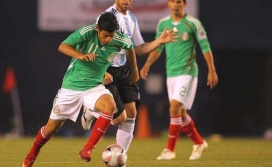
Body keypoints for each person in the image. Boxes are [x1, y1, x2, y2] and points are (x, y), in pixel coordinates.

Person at [20, 12, 175, 167]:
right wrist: (80, 55)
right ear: (98, 29)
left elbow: (130, 49)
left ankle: (88, 148)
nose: (108, 40)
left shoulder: (119, 39)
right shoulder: (87, 32)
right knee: (50, 129)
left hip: (94, 87)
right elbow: (63, 46)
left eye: (111, 35)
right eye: (105, 35)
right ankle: (31, 156)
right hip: (71, 88)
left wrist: (134, 70)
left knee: (110, 107)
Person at [81, 0, 178, 165]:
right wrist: (99, 72)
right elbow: (94, 45)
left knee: (132, 112)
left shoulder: (132, 18)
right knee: (118, 120)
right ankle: (91, 111)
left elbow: (139, 49)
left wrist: (159, 41)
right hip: (107, 69)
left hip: (123, 69)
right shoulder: (106, 18)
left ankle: (120, 160)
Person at [140, 0, 219, 161]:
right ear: (168, 3)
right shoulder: (163, 24)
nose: (176, 5)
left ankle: (170, 150)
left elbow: (205, 47)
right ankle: (199, 143)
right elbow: (159, 47)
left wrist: (211, 70)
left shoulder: (193, 23)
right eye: (173, 1)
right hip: (171, 74)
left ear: (185, 4)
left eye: (179, 2)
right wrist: (147, 64)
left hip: (188, 72)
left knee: (174, 108)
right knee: (180, 114)